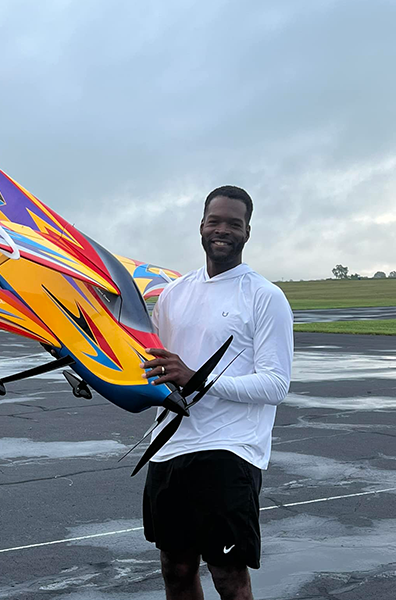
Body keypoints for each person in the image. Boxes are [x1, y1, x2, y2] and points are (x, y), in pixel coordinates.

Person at [140, 185, 293, 600]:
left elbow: (276, 384)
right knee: (176, 568)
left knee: (227, 573)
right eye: (215, 221)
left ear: (247, 232)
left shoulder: (264, 296)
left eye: (233, 224)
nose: (222, 230)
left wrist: (197, 378)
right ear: (201, 226)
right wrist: (96, 375)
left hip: (230, 450)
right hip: (170, 447)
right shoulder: (173, 294)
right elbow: (148, 362)